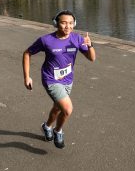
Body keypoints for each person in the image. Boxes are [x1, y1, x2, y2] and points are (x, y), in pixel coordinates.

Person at [22, 10, 96, 149]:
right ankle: (58, 130)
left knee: (57, 108)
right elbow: (27, 53)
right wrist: (27, 76)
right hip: (50, 79)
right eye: (63, 23)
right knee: (67, 109)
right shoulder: (46, 40)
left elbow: (91, 58)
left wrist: (90, 45)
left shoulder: (77, 39)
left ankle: (47, 126)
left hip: (68, 80)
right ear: (56, 24)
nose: (67, 26)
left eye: (70, 23)